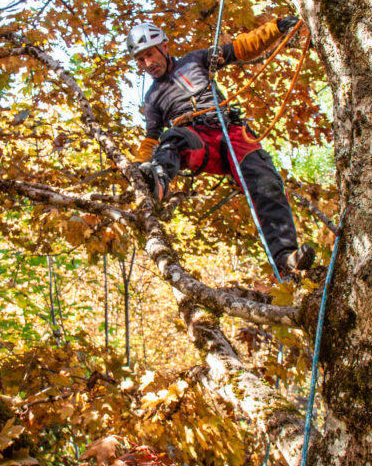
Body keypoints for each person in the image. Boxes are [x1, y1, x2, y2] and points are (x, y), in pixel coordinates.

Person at [127, 18, 315, 278]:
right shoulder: (152, 98)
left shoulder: (195, 60)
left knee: (266, 183)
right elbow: (151, 138)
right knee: (173, 139)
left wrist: (276, 27)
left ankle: (286, 258)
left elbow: (240, 48)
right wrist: (139, 165)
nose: (148, 64)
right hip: (198, 139)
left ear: (164, 48)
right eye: (140, 60)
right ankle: (158, 181)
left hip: (232, 132)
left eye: (150, 55)